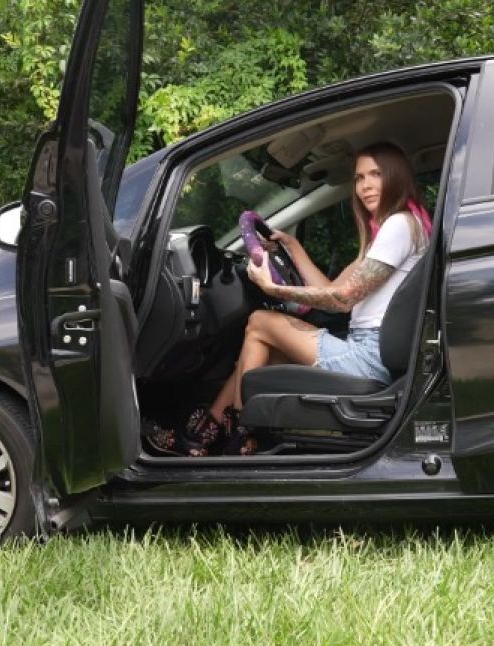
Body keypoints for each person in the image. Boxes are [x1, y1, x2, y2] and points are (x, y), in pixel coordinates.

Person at [147, 141, 432, 456]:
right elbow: (331, 288)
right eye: (359, 178)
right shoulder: (399, 229)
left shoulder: (399, 225)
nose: (364, 186)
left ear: (395, 176)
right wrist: (294, 249)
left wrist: (274, 290)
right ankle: (205, 436)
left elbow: (341, 300)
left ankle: (241, 437)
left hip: (368, 357)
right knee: (267, 351)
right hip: (371, 350)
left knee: (258, 322)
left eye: (375, 175)